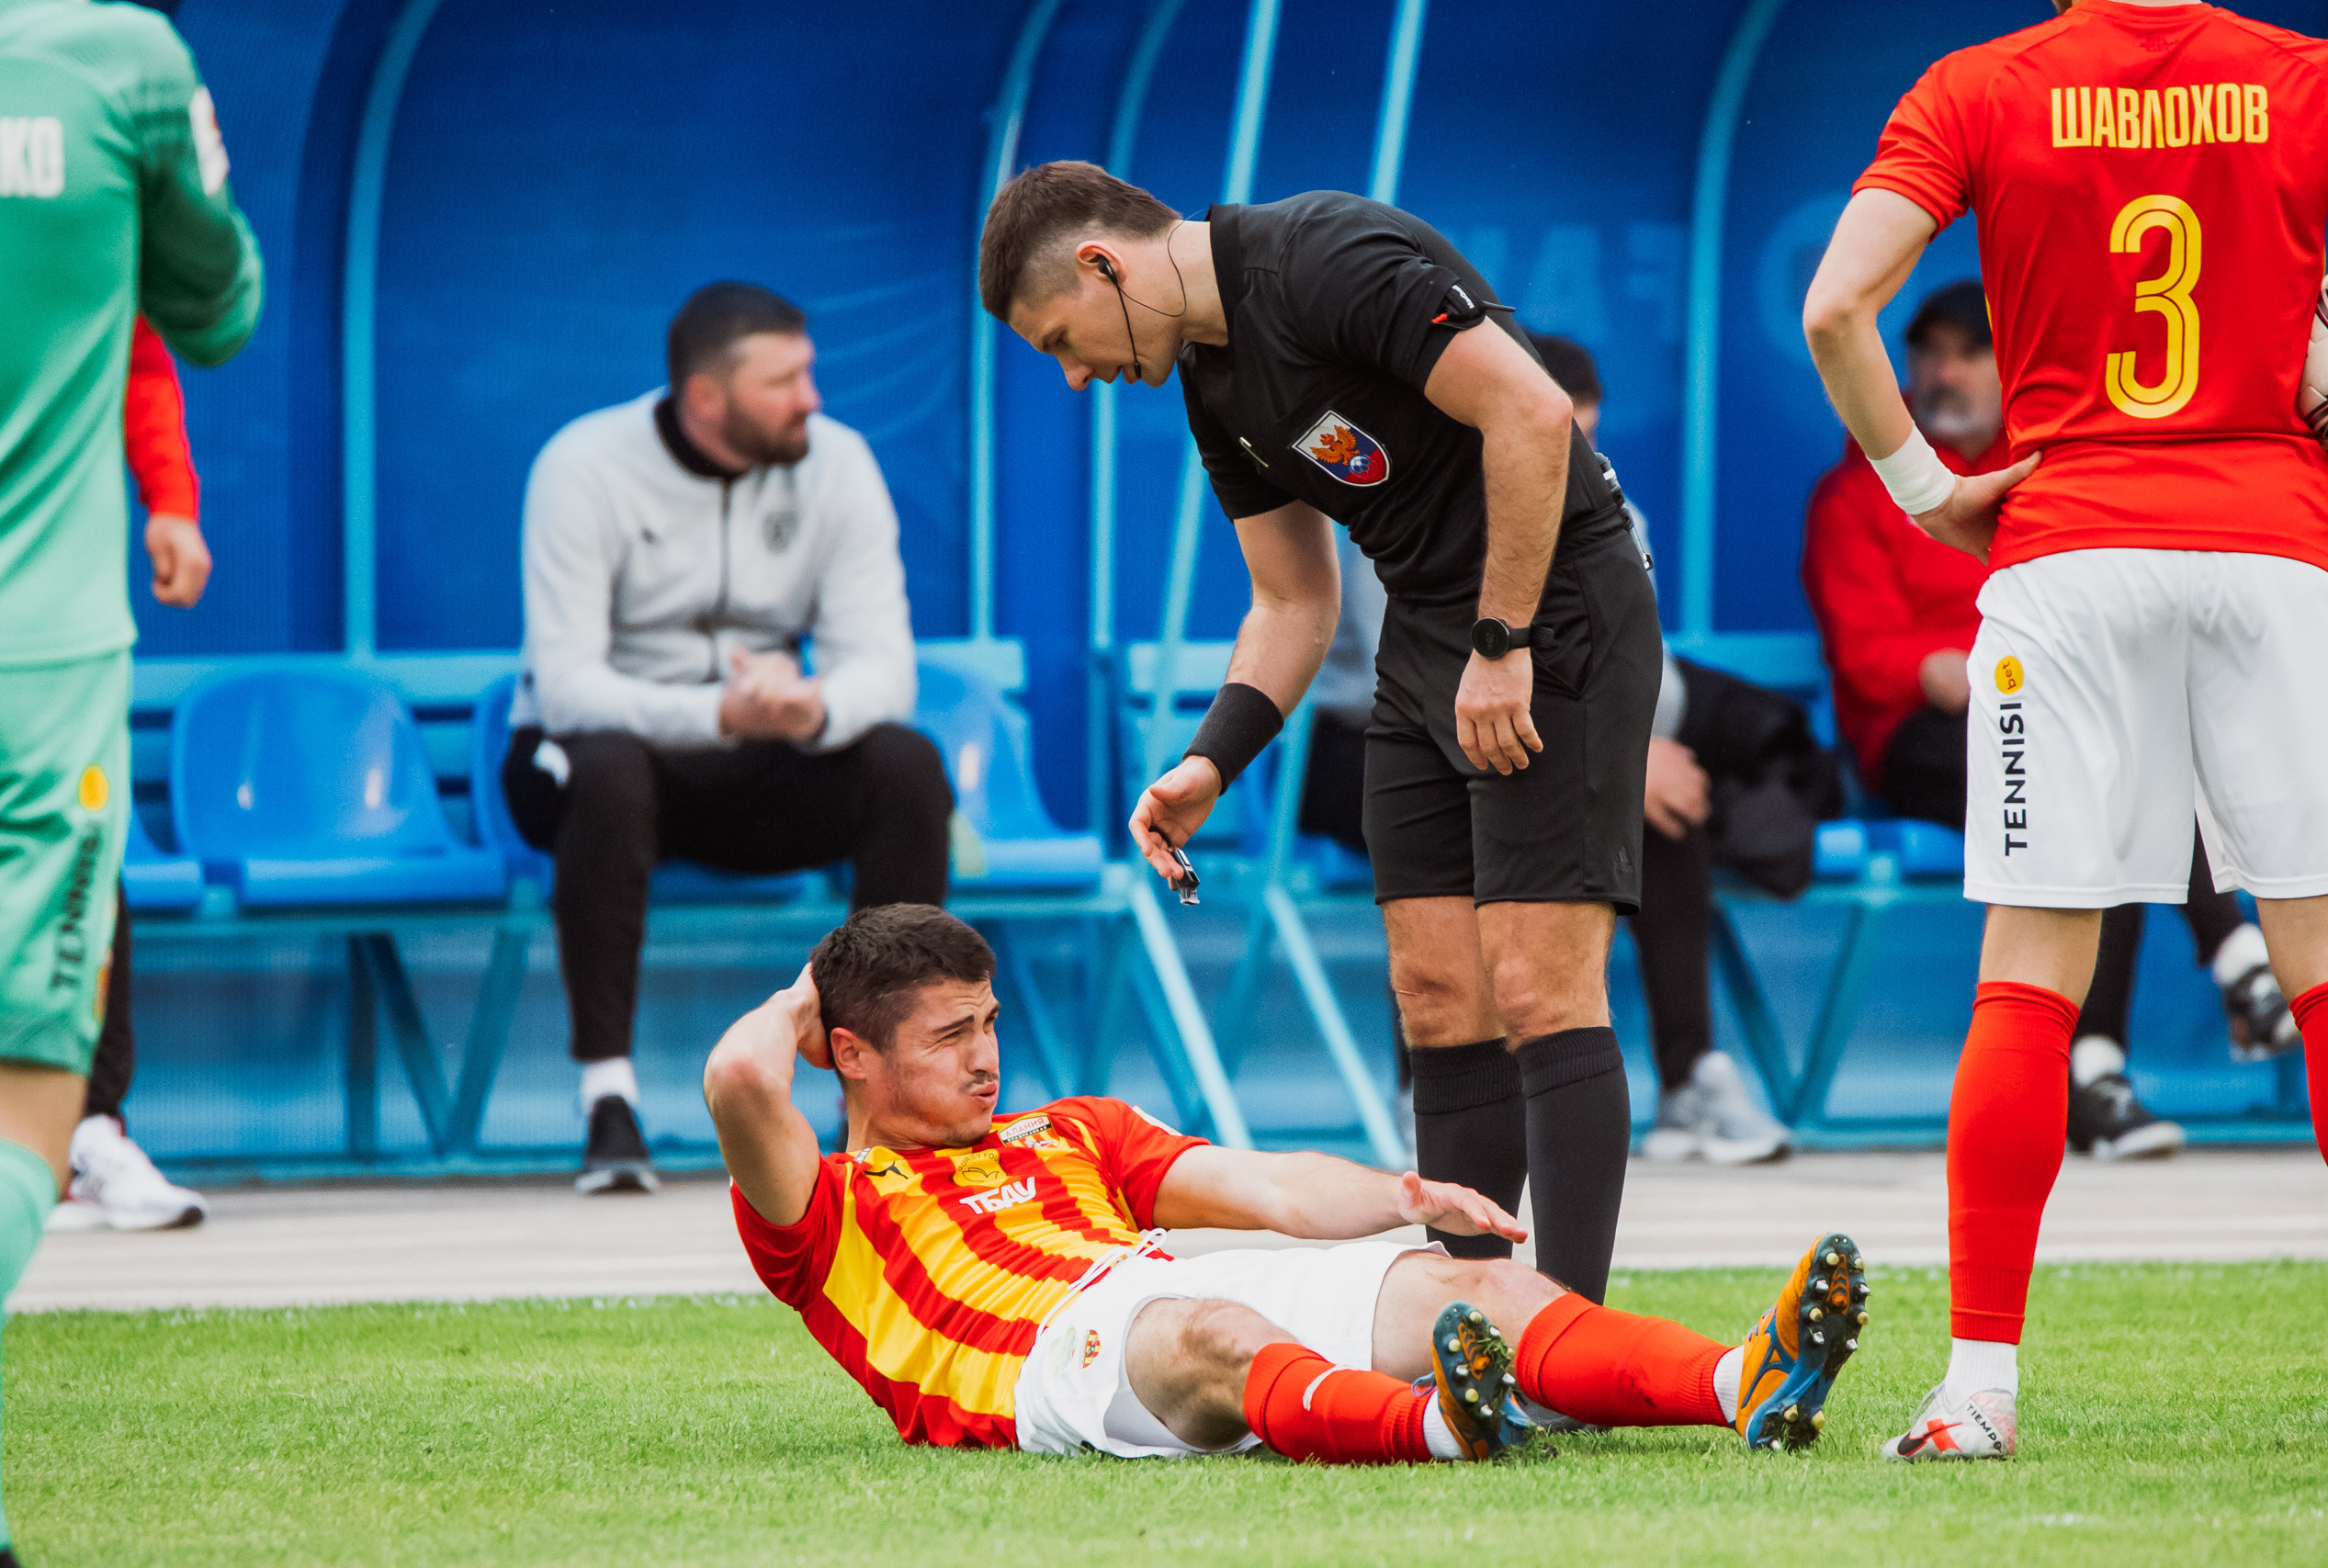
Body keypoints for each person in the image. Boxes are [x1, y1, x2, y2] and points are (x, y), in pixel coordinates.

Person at [1804, 0, 2328, 1462]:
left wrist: (1926, 487)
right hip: (2273, 548)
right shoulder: (2311, 77)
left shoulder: (1979, 85)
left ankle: (1979, 1384)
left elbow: (1833, 307)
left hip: (2070, 555)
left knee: (2029, 978)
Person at [981, 164, 1657, 1306]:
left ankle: (1576, 1345)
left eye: (1061, 338)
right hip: (1429, 635)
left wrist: (1502, 641)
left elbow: (1532, 410)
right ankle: (1471, 1324)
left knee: (1540, 990)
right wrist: (1210, 760)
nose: (1077, 375)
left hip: (1554, 615)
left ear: (1105, 264)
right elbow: (1293, 602)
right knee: (1438, 995)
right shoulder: (1208, 381)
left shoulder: (1322, 257)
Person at [705, 903, 1871, 1461]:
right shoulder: (821, 1210)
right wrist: (816, 990)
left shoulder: (1067, 1128)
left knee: (1467, 1288)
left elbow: (1270, 1190)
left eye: (990, 1023)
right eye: (950, 1033)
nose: (984, 1055)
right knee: (1201, 1324)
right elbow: (736, 1077)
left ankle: (1739, 1381)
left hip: (1139, 1280)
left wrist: (1409, 1199)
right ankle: (1435, 1429)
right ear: (849, 1053)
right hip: (1041, 1372)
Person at [1804, 281, 2300, 1166]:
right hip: (1919, 739)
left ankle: (2102, 1070)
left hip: (2047, 721)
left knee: (2111, 789)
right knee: (2106, 778)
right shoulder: (1854, 495)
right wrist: (1945, 667)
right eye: (1928, 353)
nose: (1942, 372)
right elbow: (1866, 658)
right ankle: (2227, 963)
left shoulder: (2040, 475)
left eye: (1968, 353)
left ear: (2011, 367)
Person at [505, 282, 954, 1197]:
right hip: (594, 765)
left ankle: (890, 1109)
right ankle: (608, 1100)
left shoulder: (838, 464)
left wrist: (810, 710)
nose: (811, 399)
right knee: (605, 769)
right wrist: (717, 715)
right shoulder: (583, 466)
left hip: (759, 759)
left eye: (809, 373)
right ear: (706, 399)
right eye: (785, 381)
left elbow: (884, 668)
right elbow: (568, 687)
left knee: (905, 765)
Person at [0, 2, 263, 1559]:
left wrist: (168, 490)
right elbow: (205, 303)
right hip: (34, 672)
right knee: (34, 1096)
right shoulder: (120, 61)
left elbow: (145, 346)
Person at [1530, 335, 1796, 1166]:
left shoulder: (1612, 509)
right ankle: (1438, 1084)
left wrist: (1631, 755)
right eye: (1557, 438)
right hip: (1425, 751)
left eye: (1589, 437)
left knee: (1666, 808)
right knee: (1445, 818)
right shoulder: (1437, 499)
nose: (1579, 459)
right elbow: (1417, 681)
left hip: (1563, 753)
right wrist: (1612, 756)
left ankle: (1689, 1081)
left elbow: (1650, 676)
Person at [49, 318, 217, 1233]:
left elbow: (141, 348)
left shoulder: (90, 182)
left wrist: (170, 498)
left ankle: (89, 1136)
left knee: (82, 839)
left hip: (52, 605)